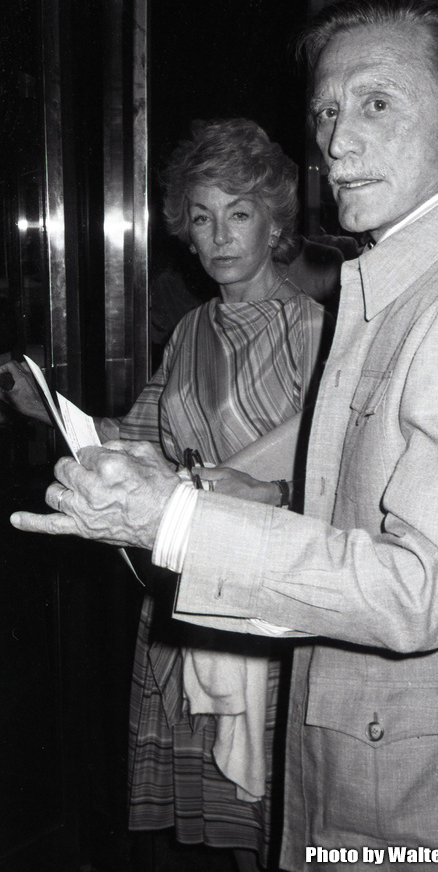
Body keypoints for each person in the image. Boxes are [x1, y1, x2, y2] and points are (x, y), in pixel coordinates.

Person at [11, 0, 438, 872]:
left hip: (431, 774)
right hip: (416, 741)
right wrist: (262, 492)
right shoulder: (415, 282)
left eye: (376, 102)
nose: (337, 138)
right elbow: (385, 495)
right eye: (327, 109)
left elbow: (424, 588)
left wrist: (176, 520)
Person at [5, 118, 329, 870]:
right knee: (213, 826)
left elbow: (329, 476)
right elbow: (139, 437)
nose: (218, 235)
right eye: (203, 215)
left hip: (257, 596)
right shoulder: (190, 330)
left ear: (275, 221)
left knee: (267, 816)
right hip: (182, 583)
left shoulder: (315, 332)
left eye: (239, 213)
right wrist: (46, 403)